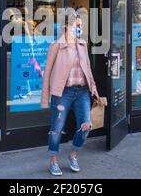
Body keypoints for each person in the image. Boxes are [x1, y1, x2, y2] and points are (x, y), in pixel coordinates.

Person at [41, 11, 100, 176]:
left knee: (86, 125)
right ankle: (53, 161)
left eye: (81, 26)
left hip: (82, 91)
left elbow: (87, 68)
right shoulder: (56, 46)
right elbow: (47, 74)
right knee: (57, 129)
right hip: (62, 93)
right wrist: (45, 98)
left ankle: (73, 154)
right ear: (67, 26)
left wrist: (93, 87)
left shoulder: (82, 44)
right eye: (77, 26)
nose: (80, 28)